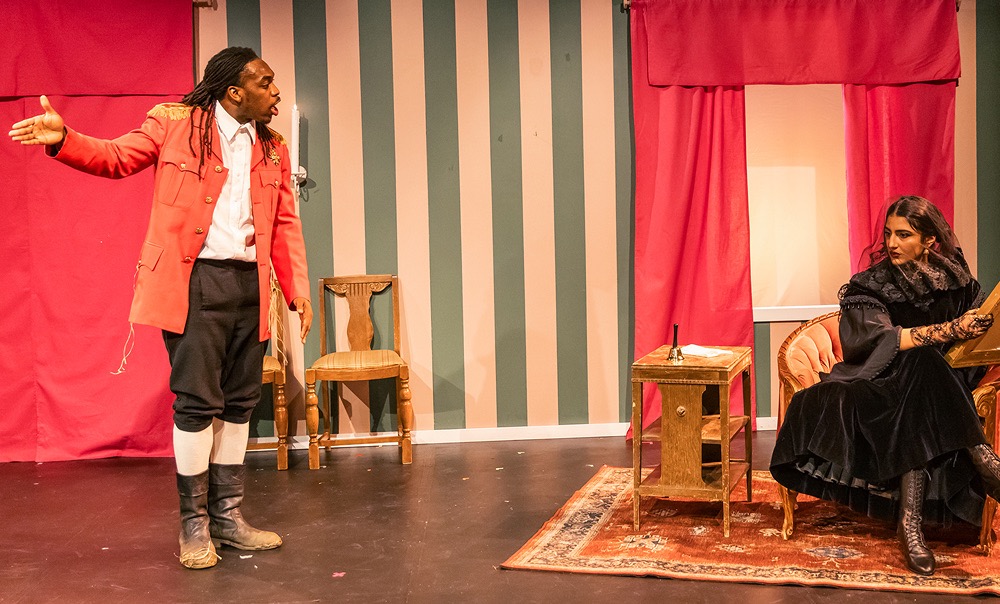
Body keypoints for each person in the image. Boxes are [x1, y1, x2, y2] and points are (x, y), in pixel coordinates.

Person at [8, 47, 313, 570]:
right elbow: (117, 157)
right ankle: (193, 525)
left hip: (249, 285)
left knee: (240, 403)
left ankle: (229, 518)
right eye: (266, 83)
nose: (276, 91)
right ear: (235, 91)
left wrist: (296, 288)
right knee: (197, 403)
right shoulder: (174, 123)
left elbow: (285, 220)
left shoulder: (273, 147)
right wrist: (65, 138)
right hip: (195, 283)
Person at [769, 195, 1000, 577]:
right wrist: (950, 330)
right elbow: (876, 341)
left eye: (904, 234)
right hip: (874, 384)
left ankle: (909, 526)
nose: (891, 243)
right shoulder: (869, 286)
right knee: (921, 359)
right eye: (888, 234)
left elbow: (970, 346)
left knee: (922, 381)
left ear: (929, 241)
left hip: (932, 391)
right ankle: (980, 455)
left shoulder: (958, 282)